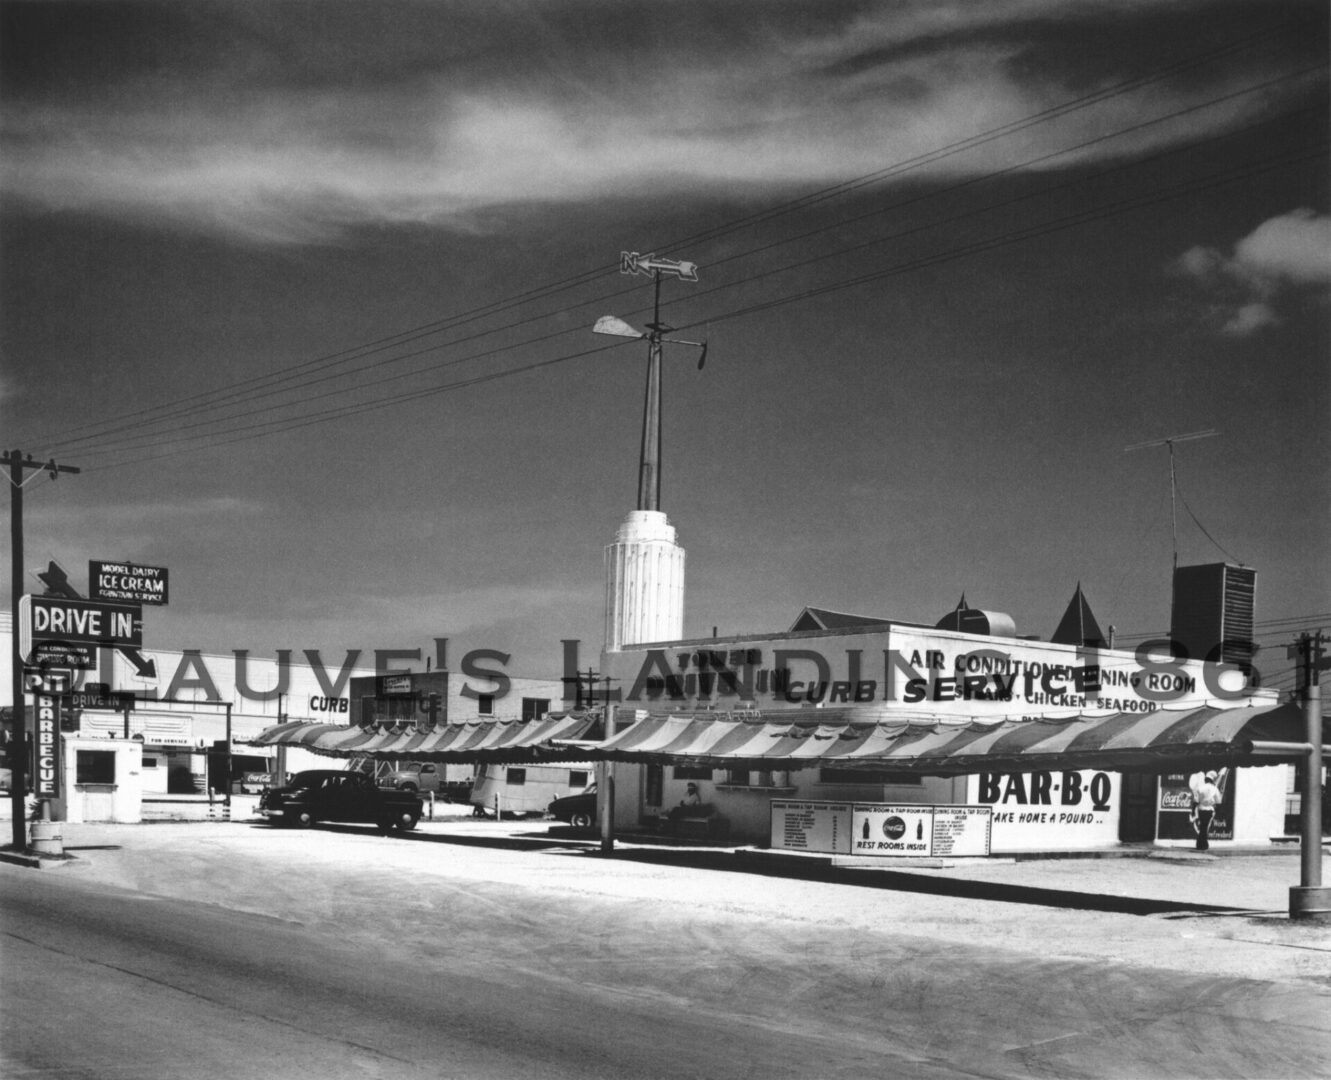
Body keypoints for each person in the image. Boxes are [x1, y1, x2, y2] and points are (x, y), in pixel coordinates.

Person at [1192, 771, 1222, 851]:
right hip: (1209, 810)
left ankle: (1201, 844)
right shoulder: (1214, 788)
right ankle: (1203, 844)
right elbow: (1218, 801)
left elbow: (1196, 801)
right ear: (1212, 780)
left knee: (1203, 826)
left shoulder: (1200, 788)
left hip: (1201, 809)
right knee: (1205, 827)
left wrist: (1192, 811)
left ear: (1206, 779)